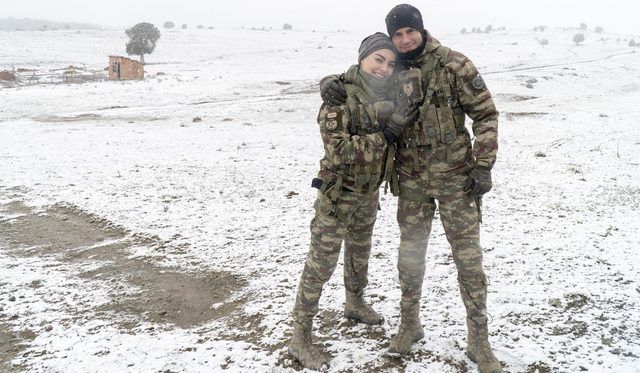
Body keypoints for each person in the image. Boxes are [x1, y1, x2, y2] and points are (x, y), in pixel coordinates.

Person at [320, 4, 502, 373]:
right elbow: (361, 78)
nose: (404, 40)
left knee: (469, 262)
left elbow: (485, 114)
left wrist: (483, 164)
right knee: (410, 260)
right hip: (412, 183)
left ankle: (479, 341)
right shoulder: (393, 70)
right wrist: (332, 84)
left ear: (421, 29)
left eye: (409, 32)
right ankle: (409, 326)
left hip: (456, 181)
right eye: (397, 34)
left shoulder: (455, 64)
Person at [289, 32, 418, 370]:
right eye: (379, 60)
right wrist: (383, 137)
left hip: (368, 194)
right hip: (338, 197)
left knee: (360, 253)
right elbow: (340, 150)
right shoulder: (338, 97)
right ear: (363, 58)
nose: (384, 68)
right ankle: (300, 337)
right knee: (320, 265)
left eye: (390, 63)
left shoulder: (389, 93)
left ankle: (354, 303)